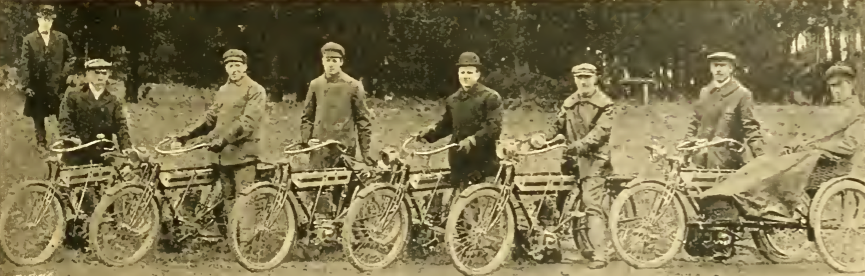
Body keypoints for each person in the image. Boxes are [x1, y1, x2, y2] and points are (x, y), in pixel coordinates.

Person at [702, 64, 865, 222]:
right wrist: (795, 144)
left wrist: (816, 146)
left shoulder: (859, 113)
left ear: (850, 85)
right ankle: (726, 195)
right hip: (810, 156)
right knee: (764, 162)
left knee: (778, 167)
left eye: (839, 85)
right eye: (831, 86)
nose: (835, 90)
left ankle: (766, 203)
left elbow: (850, 145)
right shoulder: (829, 112)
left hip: (830, 163)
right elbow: (810, 135)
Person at [678, 51, 768, 261]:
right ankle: (709, 242)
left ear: (731, 69)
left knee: (720, 200)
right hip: (702, 157)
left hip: (727, 157)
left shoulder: (741, 94)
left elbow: (750, 127)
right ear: (710, 69)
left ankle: (725, 244)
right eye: (715, 66)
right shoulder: (705, 92)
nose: (718, 69)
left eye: (723, 65)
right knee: (700, 197)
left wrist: (760, 154)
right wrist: (686, 146)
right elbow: (695, 122)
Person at [170, 49, 266, 238]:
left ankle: (246, 242)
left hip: (243, 154)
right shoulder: (223, 91)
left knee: (244, 198)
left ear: (245, 67)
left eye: (238, 65)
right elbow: (209, 119)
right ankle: (231, 239)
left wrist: (224, 139)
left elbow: (248, 122)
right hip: (222, 154)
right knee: (227, 198)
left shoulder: (255, 90)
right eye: (230, 66)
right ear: (226, 68)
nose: (234, 69)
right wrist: (184, 136)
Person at [530, 63, 616, 269]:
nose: (583, 81)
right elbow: (556, 125)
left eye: (587, 77)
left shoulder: (605, 104)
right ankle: (549, 244)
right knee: (554, 196)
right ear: (574, 79)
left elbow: (599, 134)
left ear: (596, 78)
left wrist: (577, 146)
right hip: (572, 159)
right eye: (579, 77)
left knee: (590, 202)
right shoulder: (570, 102)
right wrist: (542, 137)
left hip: (596, 160)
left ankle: (600, 254)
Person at [56, 58, 130, 256]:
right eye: (96, 72)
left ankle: (101, 232)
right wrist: (71, 137)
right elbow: (65, 120)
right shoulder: (73, 96)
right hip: (76, 154)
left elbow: (121, 127)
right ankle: (72, 232)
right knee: (73, 194)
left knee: (105, 192)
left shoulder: (113, 101)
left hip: (100, 154)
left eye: (104, 73)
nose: (100, 76)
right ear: (87, 74)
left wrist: (127, 148)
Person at [413, 51, 504, 207]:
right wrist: (428, 135)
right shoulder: (453, 99)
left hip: (482, 158)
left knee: (480, 201)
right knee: (459, 199)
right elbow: (447, 125)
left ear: (478, 74)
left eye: (470, 72)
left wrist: (473, 140)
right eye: (462, 72)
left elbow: (493, 127)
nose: (465, 76)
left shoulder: (490, 97)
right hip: (458, 159)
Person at [300, 42, 374, 222]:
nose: (331, 64)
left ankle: (341, 225)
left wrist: (366, 154)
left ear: (341, 62)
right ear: (322, 61)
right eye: (327, 60)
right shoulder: (315, 84)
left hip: (343, 148)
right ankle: (321, 224)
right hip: (319, 147)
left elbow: (363, 121)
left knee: (341, 190)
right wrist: (306, 140)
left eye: (335, 60)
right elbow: (307, 117)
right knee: (314, 188)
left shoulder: (353, 86)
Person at [19, 4, 77, 152]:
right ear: (38, 20)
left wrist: (65, 75)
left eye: (49, 20)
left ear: (52, 21)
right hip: (37, 84)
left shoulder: (62, 38)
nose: (46, 22)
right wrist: (26, 84)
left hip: (57, 84)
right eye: (43, 19)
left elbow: (71, 58)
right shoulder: (29, 39)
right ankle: (41, 141)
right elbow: (24, 63)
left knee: (62, 112)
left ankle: (66, 139)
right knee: (38, 113)